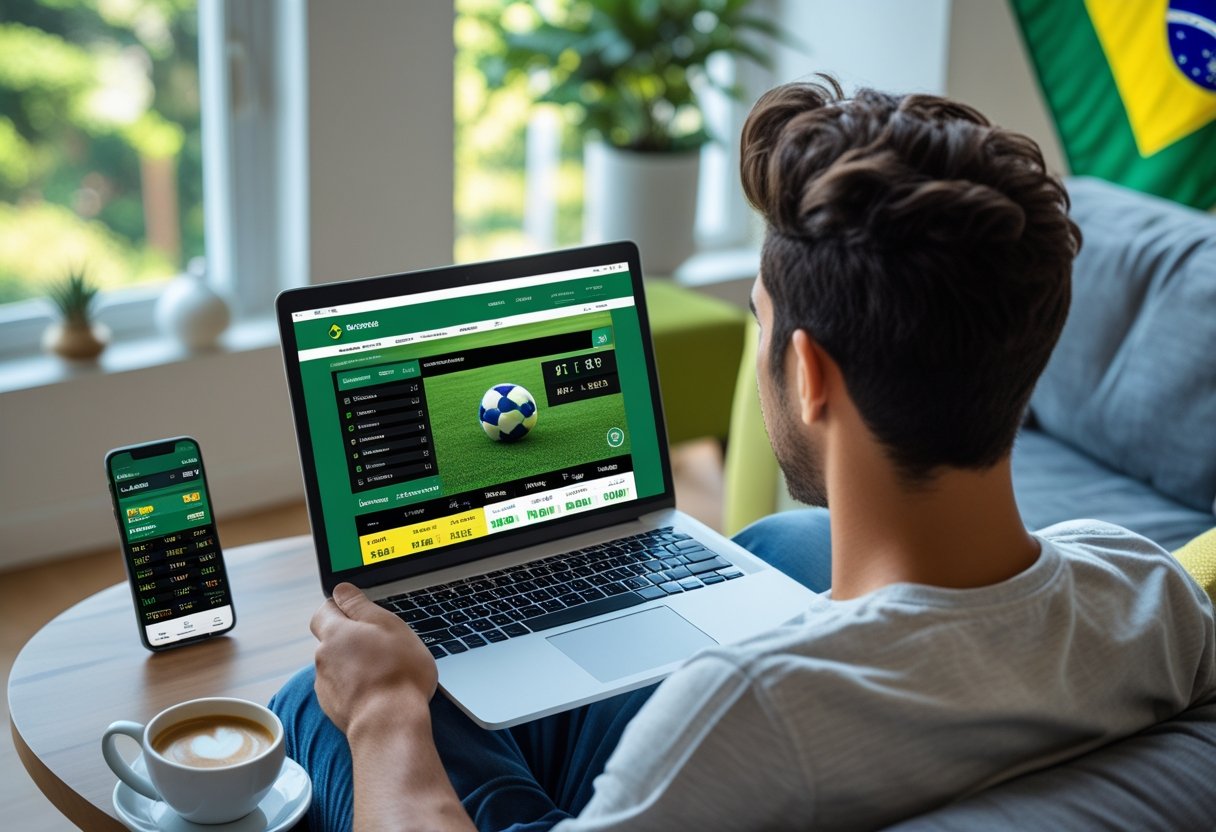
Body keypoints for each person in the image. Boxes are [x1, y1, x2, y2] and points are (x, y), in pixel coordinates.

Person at [271, 77, 1216, 831]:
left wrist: (389, 711)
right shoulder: (1146, 586)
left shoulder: (748, 711)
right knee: (785, 543)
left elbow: (744, 723)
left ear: (809, 373)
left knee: (340, 691)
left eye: (759, 322)